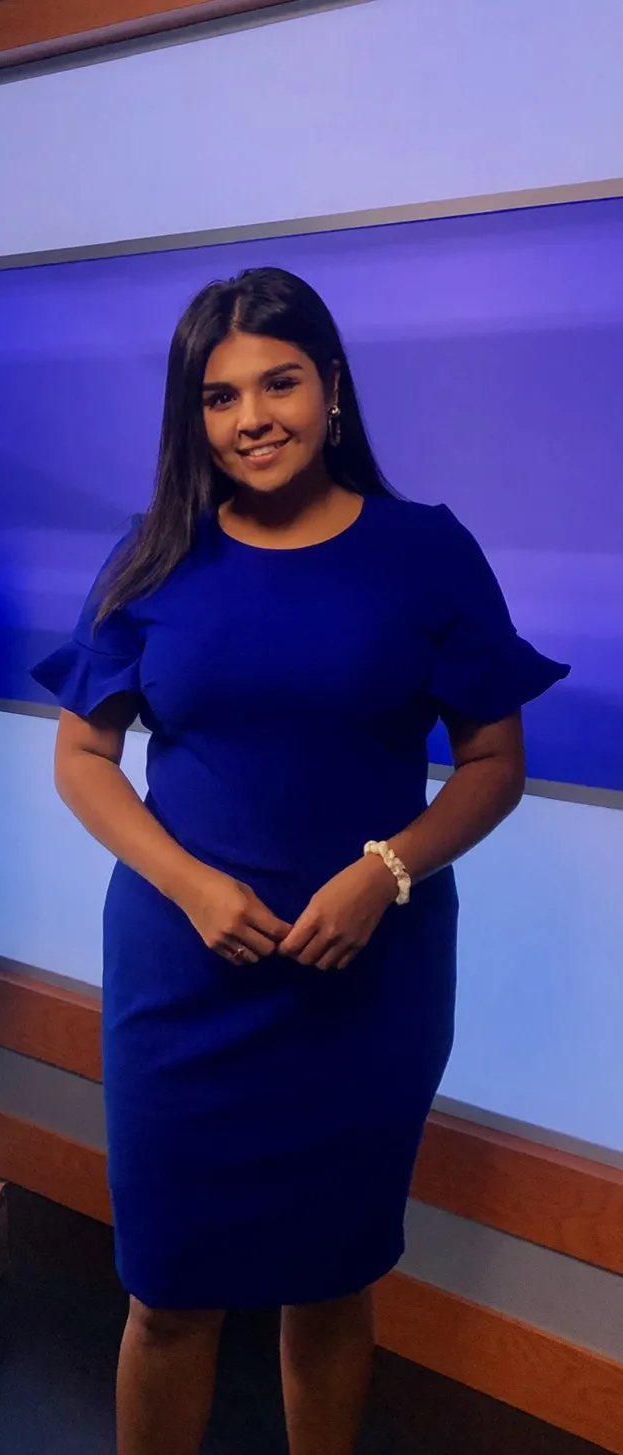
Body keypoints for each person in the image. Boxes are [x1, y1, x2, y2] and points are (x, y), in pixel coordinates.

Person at [30, 266, 569, 1455]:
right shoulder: (152, 555)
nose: (252, 417)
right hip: (184, 979)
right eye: (219, 397)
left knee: (332, 1282)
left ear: (332, 388)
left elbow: (492, 761)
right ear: (194, 417)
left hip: (366, 982)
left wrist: (385, 872)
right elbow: (82, 756)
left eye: (279, 382)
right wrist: (191, 885)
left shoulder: (425, 552)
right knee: (168, 1291)